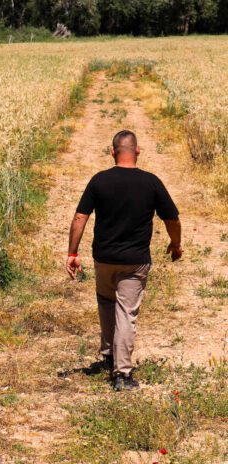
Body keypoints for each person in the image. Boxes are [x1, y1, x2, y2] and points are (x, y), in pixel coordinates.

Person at [66, 130, 182, 391]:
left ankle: (109, 355)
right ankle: (123, 373)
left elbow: (79, 218)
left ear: (113, 152)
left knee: (107, 304)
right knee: (126, 313)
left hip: (104, 258)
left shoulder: (99, 181)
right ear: (137, 151)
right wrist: (175, 244)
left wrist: (72, 253)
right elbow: (172, 219)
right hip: (134, 261)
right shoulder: (151, 182)